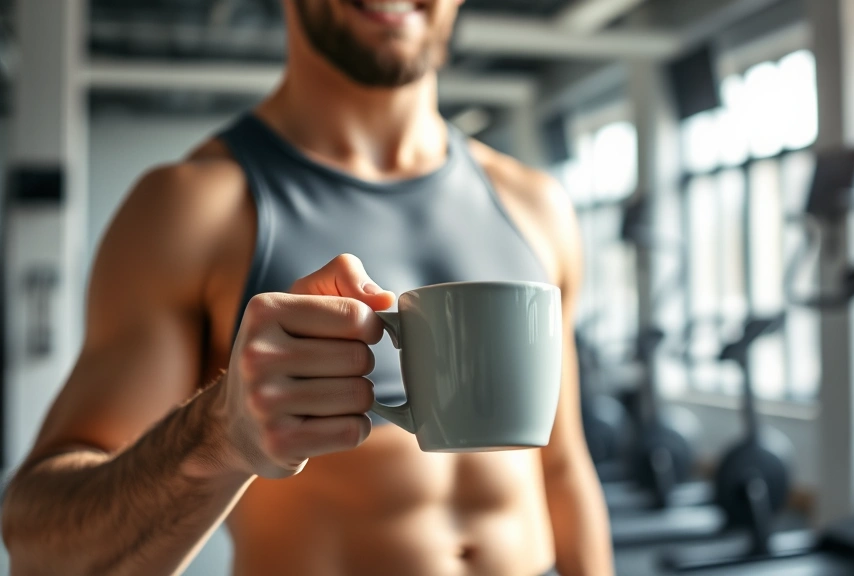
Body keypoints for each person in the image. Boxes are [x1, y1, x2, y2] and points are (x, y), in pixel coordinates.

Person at [1, 1, 614, 575]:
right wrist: (217, 434)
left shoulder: (538, 205)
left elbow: (563, 468)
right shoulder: (192, 208)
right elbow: (38, 548)